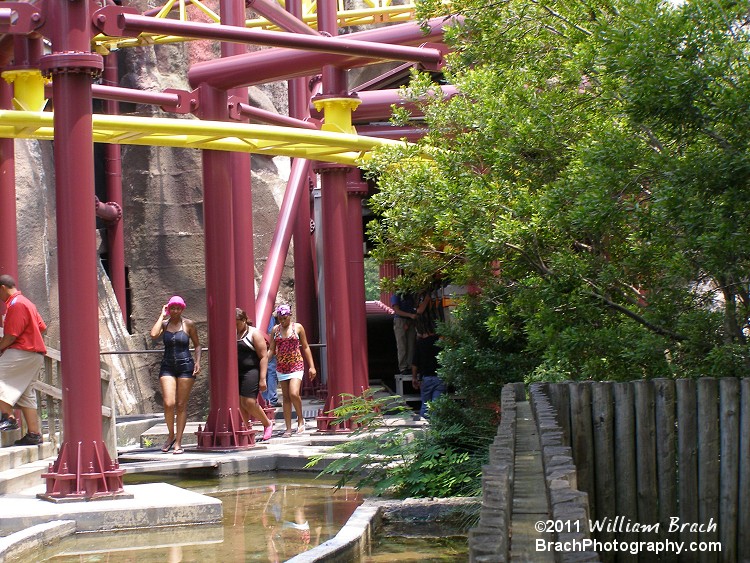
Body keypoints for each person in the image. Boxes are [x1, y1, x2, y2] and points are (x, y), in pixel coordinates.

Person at [150, 295, 202, 454]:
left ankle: (178, 441)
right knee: (168, 403)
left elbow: (197, 345)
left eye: (178, 308)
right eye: (172, 308)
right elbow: (153, 334)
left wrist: (198, 361)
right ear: (169, 309)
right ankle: (170, 435)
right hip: (167, 366)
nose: (175, 311)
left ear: (182, 309)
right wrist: (161, 315)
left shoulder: (189, 324)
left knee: (181, 404)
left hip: (185, 365)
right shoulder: (165, 325)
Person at [0, 274, 47, 446]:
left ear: (3, 288)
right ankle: (34, 434)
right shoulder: (28, 303)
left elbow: (11, 335)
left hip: (21, 352)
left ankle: (8, 418)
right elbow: (42, 327)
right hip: (35, 355)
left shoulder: (15, 304)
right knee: (26, 394)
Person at [268, 304, 316, 437]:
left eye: (284, 318)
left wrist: (312, 366)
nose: (282, 321)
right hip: (282, 366)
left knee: (294, 393)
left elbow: (305, 347)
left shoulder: (298, 327)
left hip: (296, 364)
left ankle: (300, 419)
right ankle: (288, 428)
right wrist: (264, 360)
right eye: (280, 319)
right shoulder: (275, 330)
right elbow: (272, 349)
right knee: (286, 397)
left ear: (289, 316)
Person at [236, 308, 274, 441]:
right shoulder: (234, 334)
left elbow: (263, 356)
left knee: (249, 402)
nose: (235, 326)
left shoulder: (254, 334)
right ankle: (246, 429)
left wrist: (263, 378)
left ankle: (267, 423)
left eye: (237, 323)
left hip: (251, 371)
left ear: (244, 320)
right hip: (237, 372)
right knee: (241, 403)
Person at [411, 331, 446, 419]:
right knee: (437, 405)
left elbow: (415, 363)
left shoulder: (421, 343)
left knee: (425, 405)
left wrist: (414, 378)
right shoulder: (442, 343)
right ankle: (436, 428)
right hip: (440, 377)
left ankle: (424, 428)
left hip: (426, 378)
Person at [390, 291, 417, 374]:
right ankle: (403, 367)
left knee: (411, 344)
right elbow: (397, 311)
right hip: (400, 320)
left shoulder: (411, 295)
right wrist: (410, 315)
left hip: (410, 320)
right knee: (402, 345)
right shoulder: (396, 295)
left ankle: (409, 366)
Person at [262, 310, 280, 407]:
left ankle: (264, 399)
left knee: (264, 372)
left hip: (259, 346)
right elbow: (270, 334)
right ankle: (272, 399)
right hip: (268, 347)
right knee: (271, 372)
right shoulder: (269, 317)